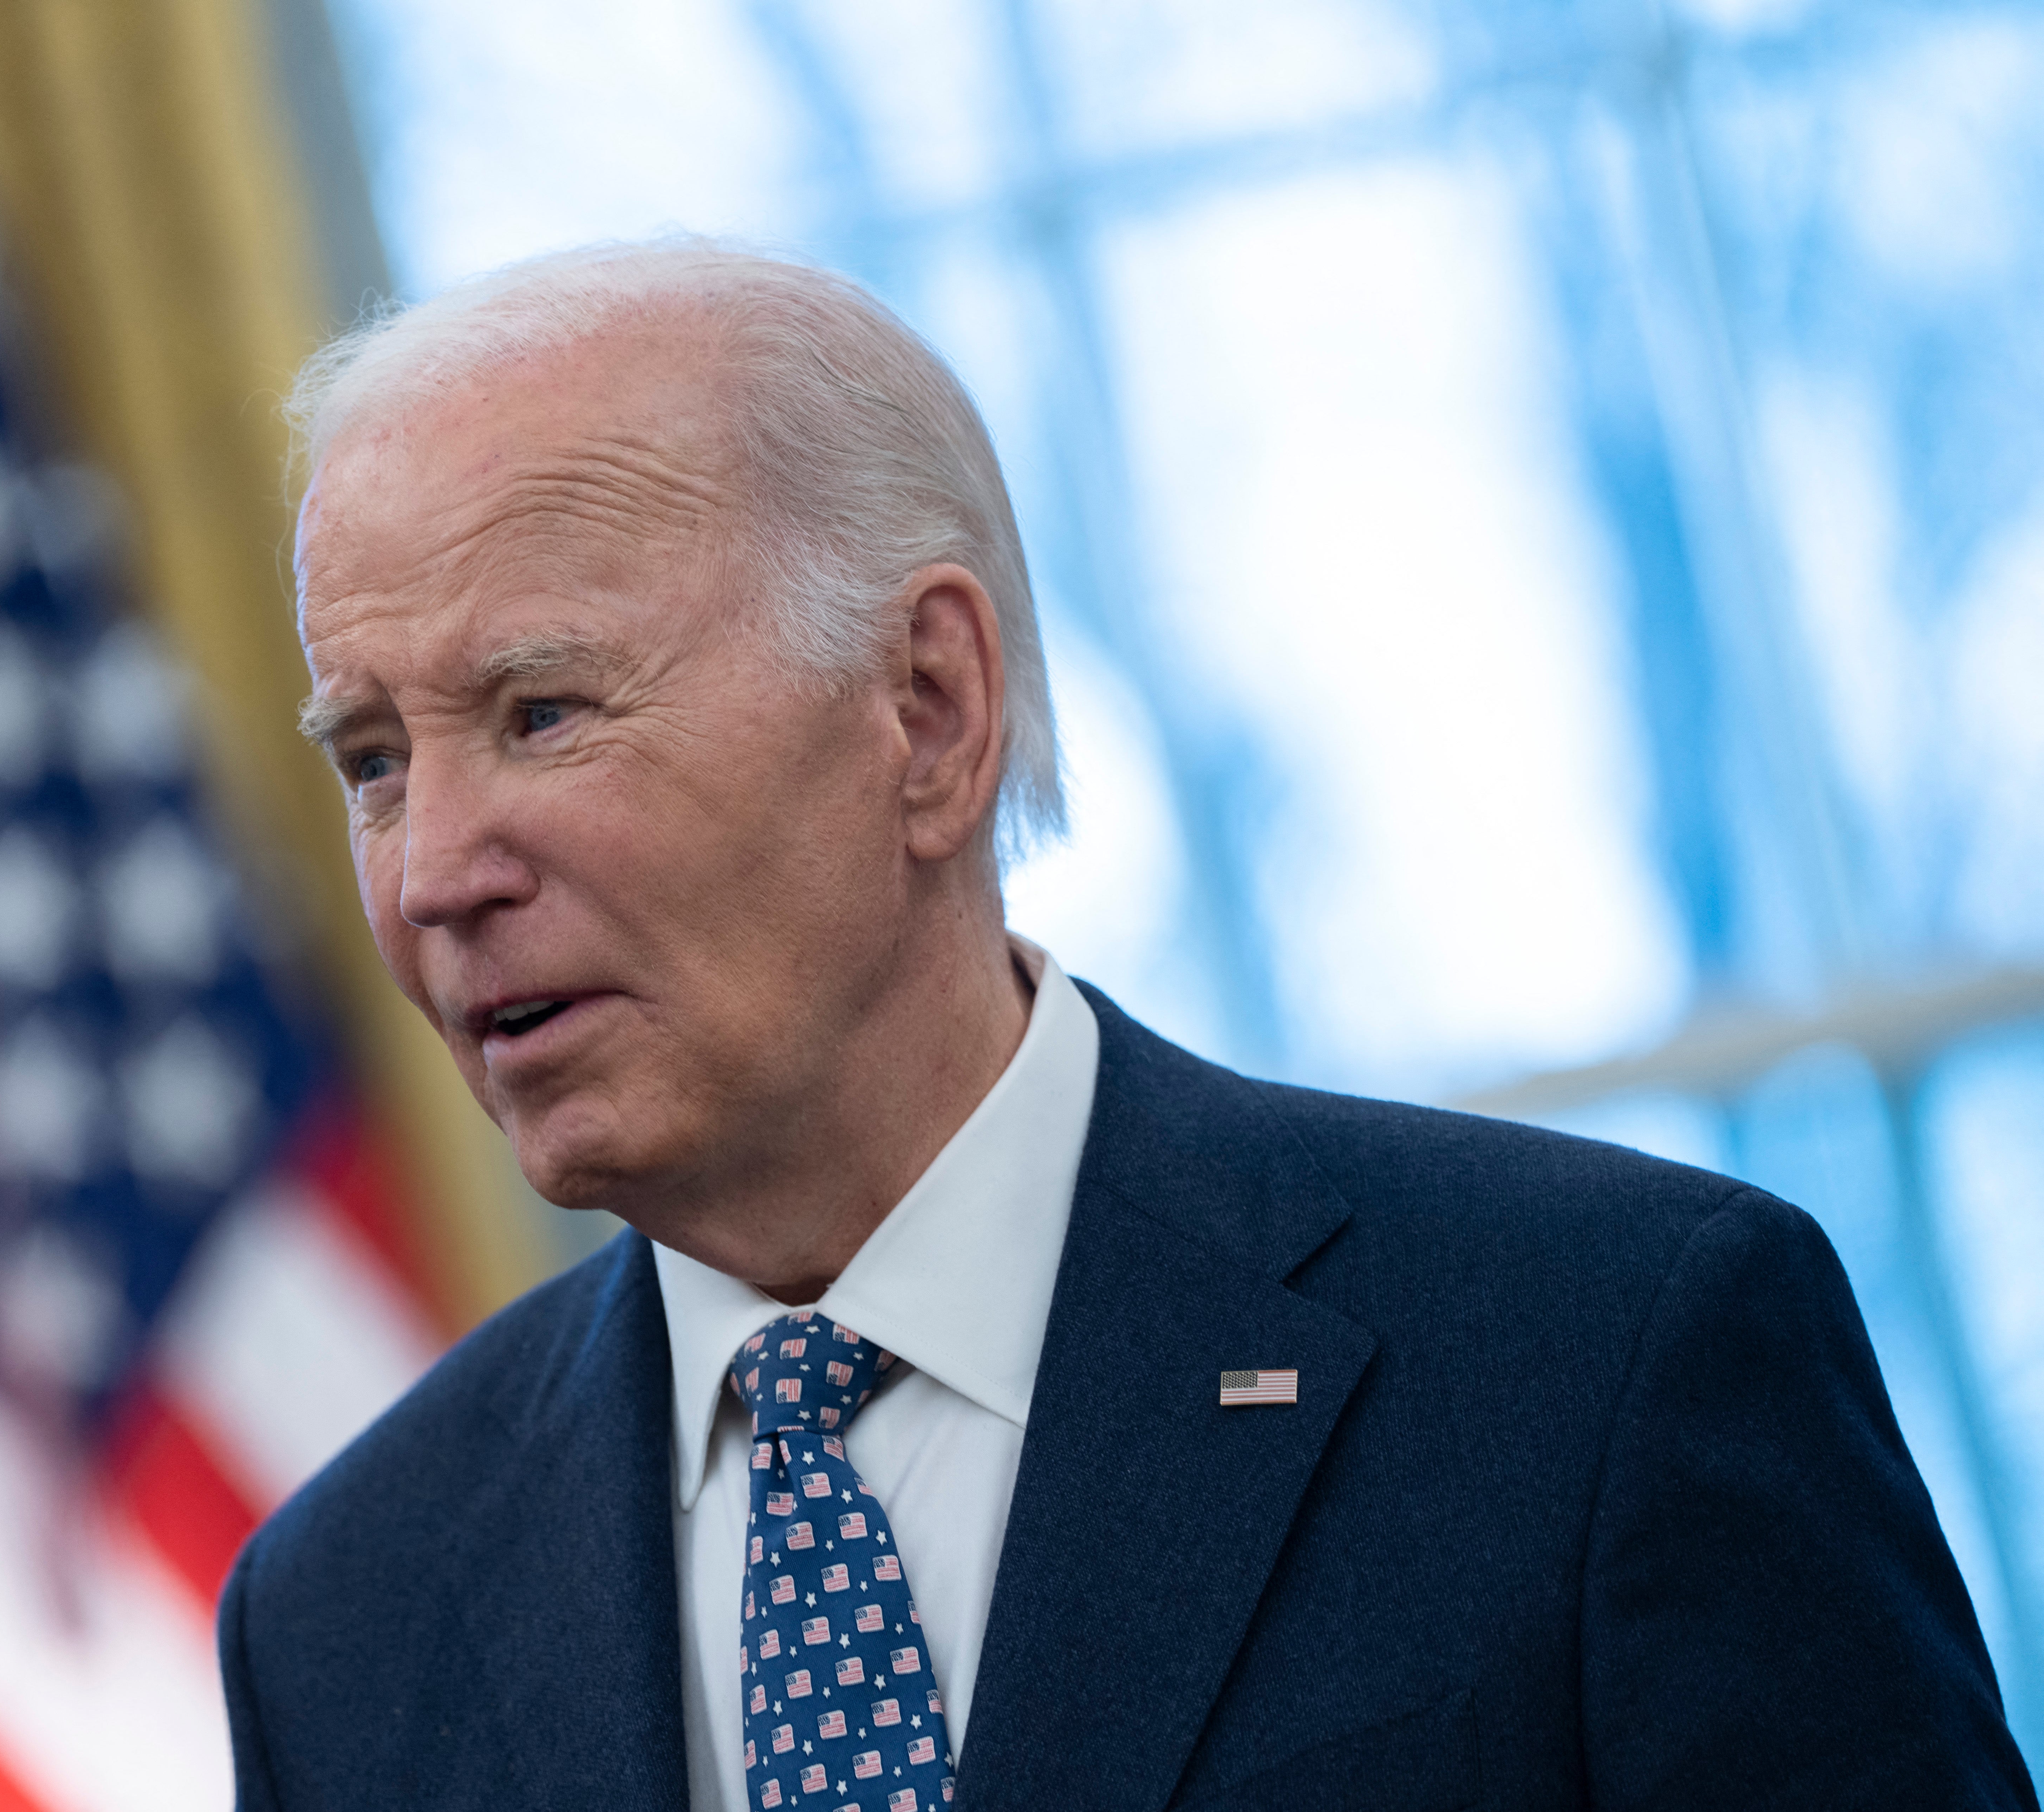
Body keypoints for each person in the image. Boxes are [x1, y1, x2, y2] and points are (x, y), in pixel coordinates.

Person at [215, 239, 2033, 1812]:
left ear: (926, 710)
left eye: (540, 712)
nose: (434, 871)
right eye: (373, 761)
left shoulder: (1604, 1361)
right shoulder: (345, 1612)